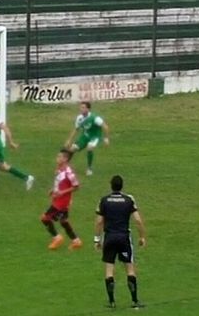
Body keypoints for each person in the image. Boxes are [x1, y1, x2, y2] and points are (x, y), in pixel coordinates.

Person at [94, 175, 146, 309]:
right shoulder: (129, 199)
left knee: (109, 270)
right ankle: (134, 301)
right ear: (122, 186)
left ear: (111, 185)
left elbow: (99, 221)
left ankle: (112, 302)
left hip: (110, 237)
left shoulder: (104, 200)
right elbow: (138, 220)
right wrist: (142, 237)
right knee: (129, 268)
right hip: (124, 238)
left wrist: (97, 239)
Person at [41, 149, 82, 251]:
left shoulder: (69, 172)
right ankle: (76, 241)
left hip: (61, 202)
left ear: (65, 159)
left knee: (45, 218)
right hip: (59, 199)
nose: (57, 158)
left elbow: (76, 186)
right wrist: (53, 190)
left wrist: (62, 192)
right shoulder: (59, 168)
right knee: (63, 221)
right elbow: (59, 182)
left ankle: (57, 238)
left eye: (59, 157)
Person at [64, 101, 110, 176]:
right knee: (72, 148)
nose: (81, 109)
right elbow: (76, 129)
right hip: (85, 136)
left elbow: (105, 126)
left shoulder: (95, 118)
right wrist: (69, 140)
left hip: (95, 136)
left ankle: (89, 168)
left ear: (88, 109)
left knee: (90, 147)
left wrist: (106, 138)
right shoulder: (79, 118)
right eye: (80, 107)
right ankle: (65, 166)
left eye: (83, 107)